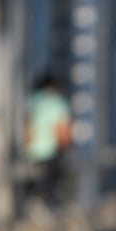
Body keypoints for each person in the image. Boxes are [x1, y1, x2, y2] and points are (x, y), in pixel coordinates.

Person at [24, 72, 72, 208]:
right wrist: (66, 147)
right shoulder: (58, 103)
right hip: (50, 150)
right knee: (51, 185)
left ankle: (34, 207)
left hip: (32, 151)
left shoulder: (33, 100)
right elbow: (62, 131)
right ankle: (47, 206)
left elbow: (27, 128)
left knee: (33, 185)